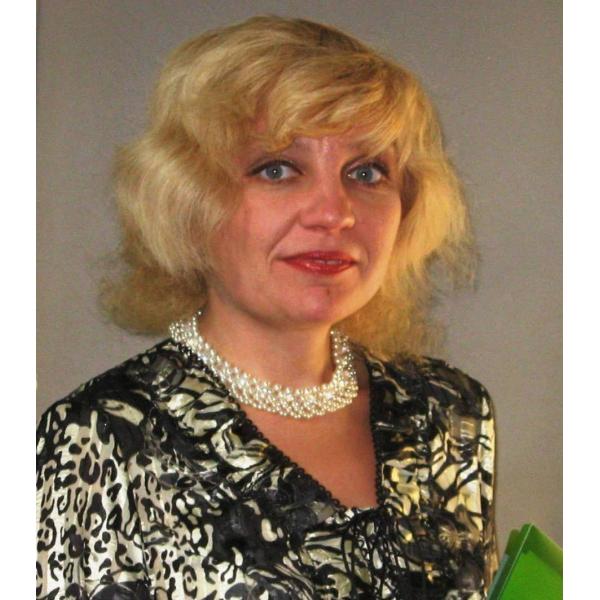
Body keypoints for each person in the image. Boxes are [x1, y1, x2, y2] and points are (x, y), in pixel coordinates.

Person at [36, 15, 497, 599]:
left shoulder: (449, 413)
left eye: (367, 172)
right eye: (277, 169)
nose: (334, 213)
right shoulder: (102, 436)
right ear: (188, 202)